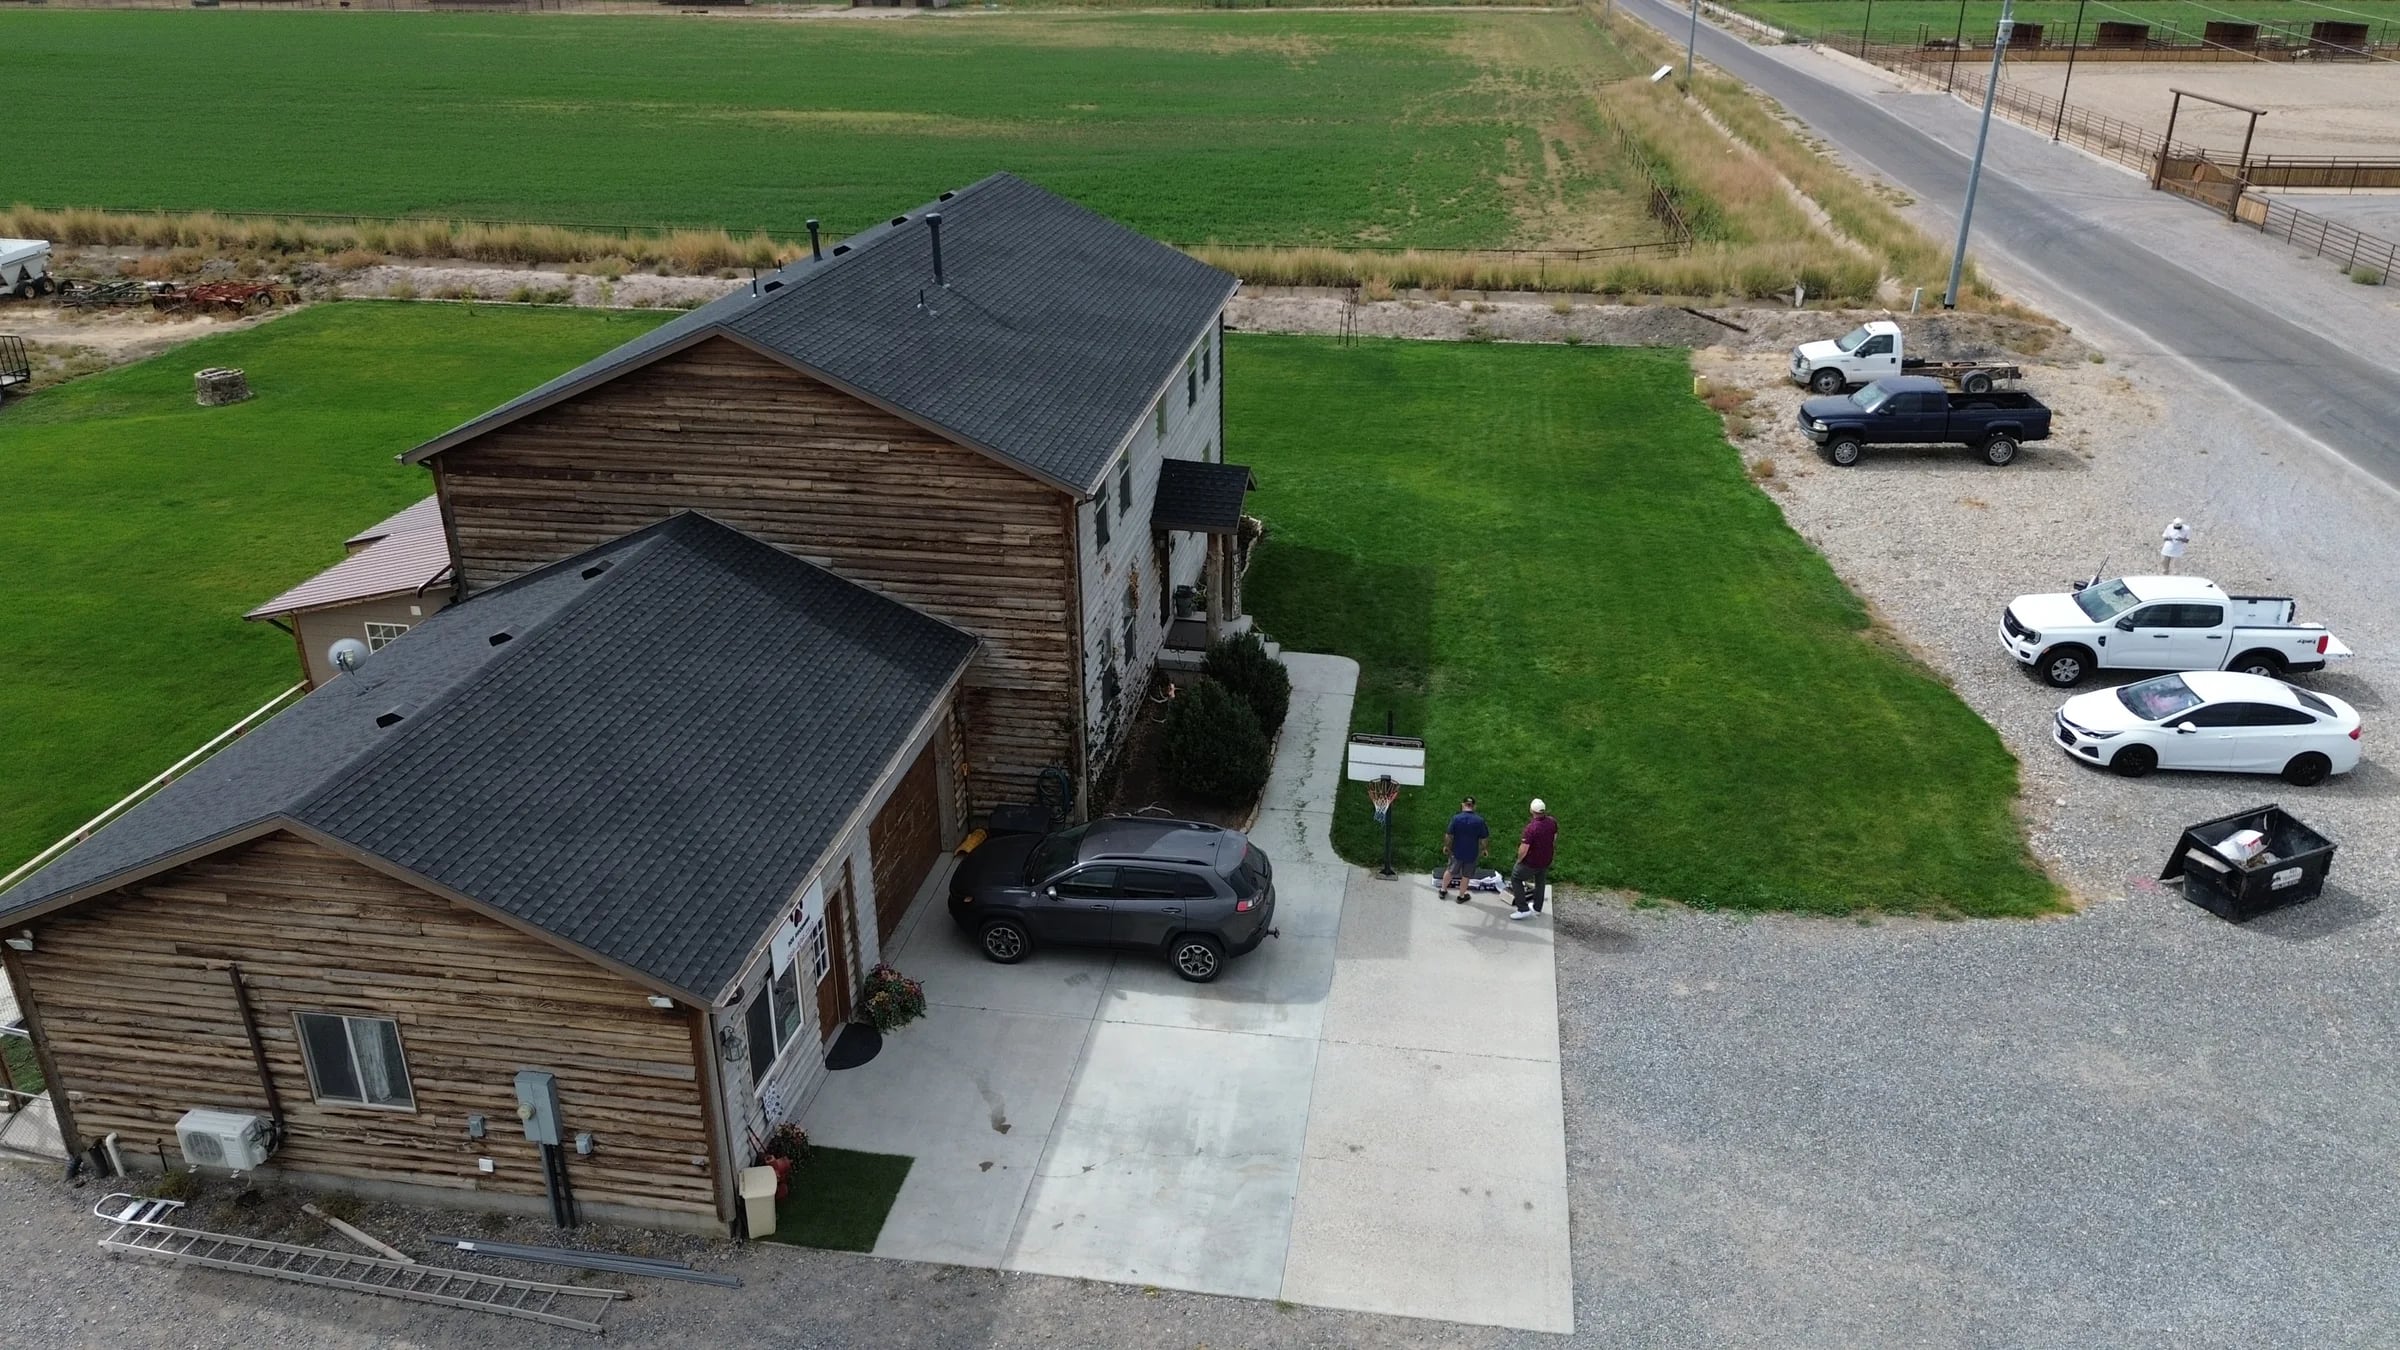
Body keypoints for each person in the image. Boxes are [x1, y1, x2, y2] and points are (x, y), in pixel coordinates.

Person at [1510, 799, 1558, 920]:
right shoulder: (1552, 822)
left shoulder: (1531, 829)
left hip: (1532, 862)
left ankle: (1523, 909)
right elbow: (1554, 838)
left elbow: (1524, 849)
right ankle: (1537, 908)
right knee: (1540, 881)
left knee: (1516, 877)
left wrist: (1519, 860)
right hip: (1546, 859)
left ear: (1531, 810)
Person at [1438, 796, 1489, 904]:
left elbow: (1449, 835)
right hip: (1471, 853)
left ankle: (1443, 890)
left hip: (1457, 851)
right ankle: (1461, 896)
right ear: (1474, 806)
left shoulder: (1456, 818)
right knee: (1466, 876)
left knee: (1450, 871)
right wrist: (1484, 849)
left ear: (1463, 805)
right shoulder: (1479, 821)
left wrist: (1447, 846)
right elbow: (1484, 838)